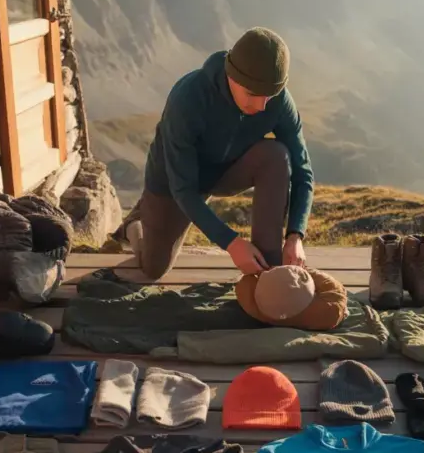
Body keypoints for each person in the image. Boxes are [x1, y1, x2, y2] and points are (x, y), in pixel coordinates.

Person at [110, 27, 315, 278]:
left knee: (276, 155)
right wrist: (232, 243)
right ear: (232, 76)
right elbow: (183, 189)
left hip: (226, 171)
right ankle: (135, 224)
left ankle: (267, 272)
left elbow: (303, 171)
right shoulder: (187, 98)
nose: (261, 106)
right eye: (252, 94)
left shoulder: (279, 102)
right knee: (154, 269)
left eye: (269, 96)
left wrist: (295, 235)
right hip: (174, 181)